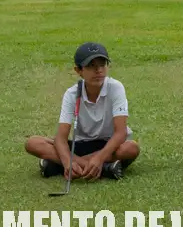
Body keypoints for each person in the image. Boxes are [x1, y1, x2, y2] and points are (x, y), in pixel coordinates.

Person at [25, 43, 139, 180]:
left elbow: (121, 133)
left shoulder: (116, 88)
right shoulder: (71, 94)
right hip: (81, 145)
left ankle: (58, 166)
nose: (98, 70)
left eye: (102, 64)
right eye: (91, 65)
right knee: (33, 143)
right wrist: (68, 161)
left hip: (109, 145)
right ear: (78, 70)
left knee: (131, 148)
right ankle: (104, 169)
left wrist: (99, 157)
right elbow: (61, 138)